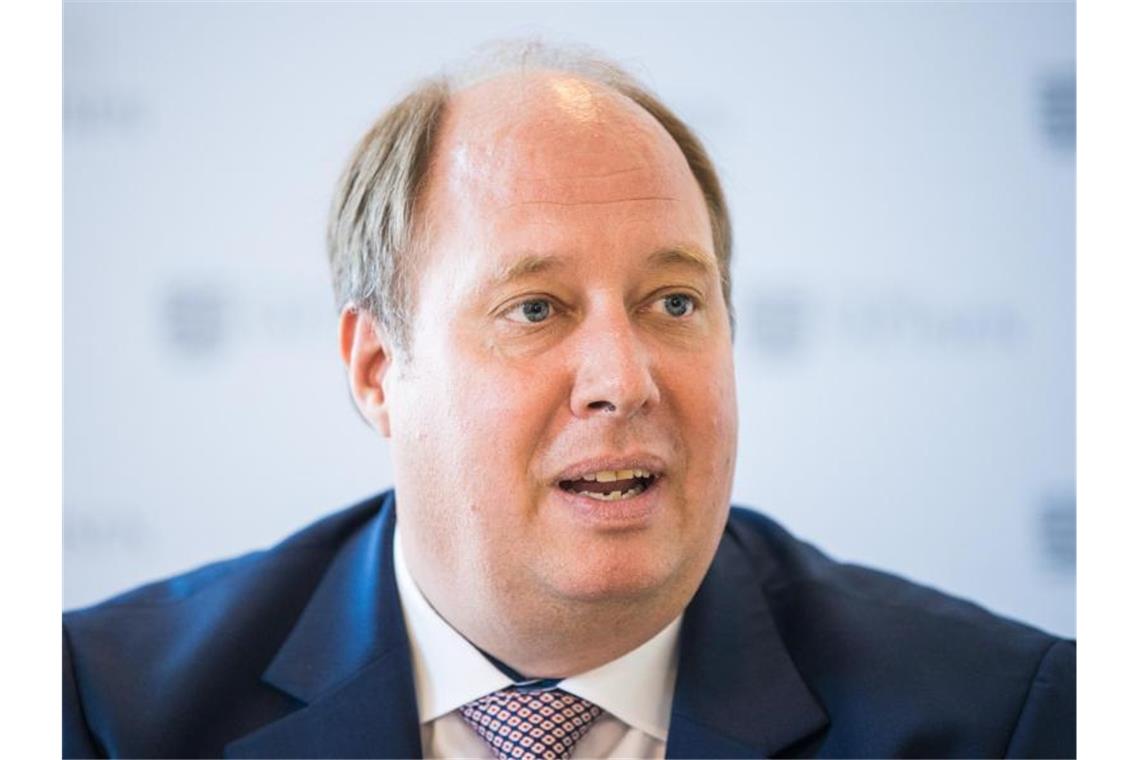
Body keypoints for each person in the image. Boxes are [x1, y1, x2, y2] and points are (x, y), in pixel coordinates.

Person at [63, 44, 1075, 759]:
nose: (624, 380)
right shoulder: (102, 710)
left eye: (674, 301)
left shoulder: (1000, 720)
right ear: (377, 370)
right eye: (535, 307)